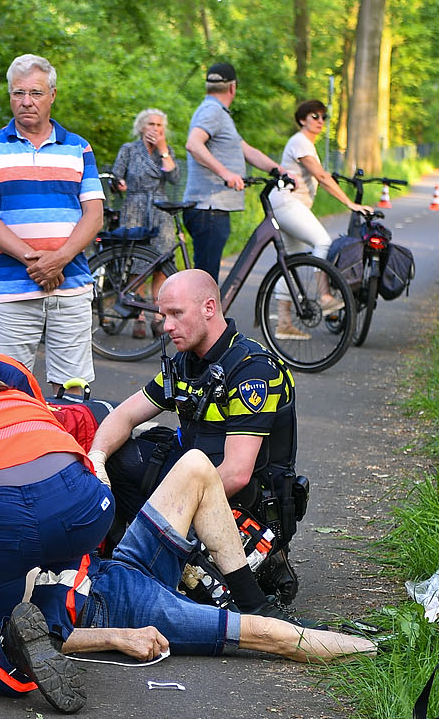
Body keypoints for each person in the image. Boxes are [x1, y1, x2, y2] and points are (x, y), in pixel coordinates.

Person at [0, 371, 371, 713]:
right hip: (108, 557)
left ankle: (369, 651)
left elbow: (35, 620)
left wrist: (119, 635)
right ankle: (252, 597)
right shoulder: (22, 405)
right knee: (193, 466)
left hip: (110, 596)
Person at [85, 270, 301, 595]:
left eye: (176, 314)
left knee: (199, 594)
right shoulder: (188, 361)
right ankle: (142, 553)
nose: (166, 326)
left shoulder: (251, 370)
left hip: (242, 501)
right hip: (194, 485)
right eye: (163, 316)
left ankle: (258, 561)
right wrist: (97, 461)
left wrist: (162, 515)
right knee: (120, 459)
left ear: (209, 308)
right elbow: (126, 415)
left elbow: (238, 473)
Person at [0, 54, 104, 400]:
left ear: (53, 95)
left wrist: (59, 259)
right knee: (7, 389)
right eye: (18, 93)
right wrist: (39, 262)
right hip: (13, 288)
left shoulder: (79, 147)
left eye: (36, 92)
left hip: (71, 285)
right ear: (9, 96)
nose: (26, 101)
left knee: (73, 388)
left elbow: (94, 216)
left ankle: (69, 451)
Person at [180, 62, 296, 283]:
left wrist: (278, 170)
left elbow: (247, 150)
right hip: (209, 207)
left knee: (206, 277)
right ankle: (200, 317)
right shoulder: (213, 111)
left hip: (212, 209)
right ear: (233, 88)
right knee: (205, 281)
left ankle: (206, 315)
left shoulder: (218, 113)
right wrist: (226, 174)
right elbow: (193, 144)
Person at [274, 99, 371, 261]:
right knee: (323, 243)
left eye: (323, 117)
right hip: (287, 203)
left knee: (292, 259)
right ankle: (322, 288)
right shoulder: (300, 142)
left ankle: (280, 287)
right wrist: (349, 204)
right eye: (315, 116)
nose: (320, 121)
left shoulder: (306, 144)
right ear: (302, 120)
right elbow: (321, 176)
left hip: (288, 204)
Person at [111, 109, 179, 319]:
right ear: (141, 127)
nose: (155, 129)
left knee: (162, 263)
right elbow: (115, 177)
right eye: (151, 124)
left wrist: (163, 150)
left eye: (159, 125)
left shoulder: (165, 150)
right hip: (135, 208)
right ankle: (138, 314)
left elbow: (175, 178)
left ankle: (159, 314)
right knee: (138, 264)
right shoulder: (129, 149)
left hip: (160, 209)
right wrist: (119, 184)